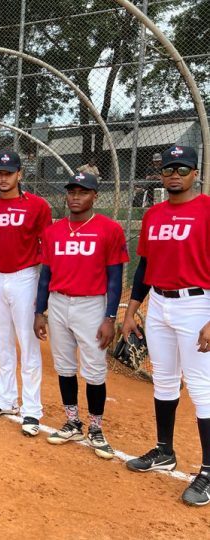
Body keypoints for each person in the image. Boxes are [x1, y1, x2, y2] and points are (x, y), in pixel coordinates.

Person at [121, 145, 210, 506]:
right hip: (158, 303)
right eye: (168, 167)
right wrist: (132, 309)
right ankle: (164, 451)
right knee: (165, 380)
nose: (174, 173)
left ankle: (208, 471)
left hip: (197, 303)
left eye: (182, 167)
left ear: (194, 173)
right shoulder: (154, 214)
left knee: (202, 388)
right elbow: (144, 266)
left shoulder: (206, 210)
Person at [33, 172, 128, 459]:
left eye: (83, 191)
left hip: (91, 306)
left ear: (95, 196)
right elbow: (44, 275)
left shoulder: (109, 229)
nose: (75, 196)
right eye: (72, 191)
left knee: (95, 369)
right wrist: (40, 311)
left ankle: (96, 428)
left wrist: (110, 317)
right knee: (63, 366)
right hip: (58, 302)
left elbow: (115, 278)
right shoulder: (53, 231)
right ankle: (73, 421)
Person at [0, 150, 52, 436]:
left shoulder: (37, 206)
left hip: (25, 278)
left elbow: (48, 249)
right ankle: (5, 399)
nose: (3, 178)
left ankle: (32, 410)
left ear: (20, 174)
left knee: (28, 344)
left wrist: (44, 294)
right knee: (2, 342)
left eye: (9, 173)